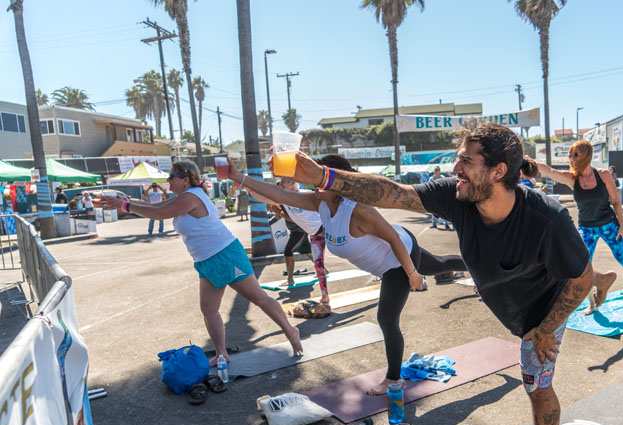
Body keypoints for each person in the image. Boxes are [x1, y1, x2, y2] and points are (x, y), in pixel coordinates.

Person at [283, 124, 614, 425]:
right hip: (513, 288)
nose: (455, 167)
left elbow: (577, 280)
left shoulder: (546, 219)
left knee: (536, 385)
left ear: (498, 171)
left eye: (465, 160)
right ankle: (603, 279)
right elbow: (393, 192)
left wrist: (545, 329)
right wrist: (322, 176)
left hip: (542, 308)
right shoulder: (458, 197)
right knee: (582, 274)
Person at [233, 154, 467, 396]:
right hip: (391, 257)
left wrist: (412, 273)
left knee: (387, 319)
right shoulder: (320, 203)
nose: (315, 184)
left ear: (338, 183)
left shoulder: (358, 210)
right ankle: (476, 265)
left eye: (320, 178)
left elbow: (393, 238)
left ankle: (393, 381)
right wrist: (237, 177)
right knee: (439, 263)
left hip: (397, 260)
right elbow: (279, 195)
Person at [93, 160, 303, 362]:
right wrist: (123, 203)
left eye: (171, 177)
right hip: (206, 261)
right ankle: (222, 353)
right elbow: (156, 207)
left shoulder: (191, 197)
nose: (168, 181)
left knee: (259, 298)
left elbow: (161, 213)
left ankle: (290, 331)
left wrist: (126, 206)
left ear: (186, 179)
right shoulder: (183, 196)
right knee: (209, 310)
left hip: (225, 255)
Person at [536, 140, 623, 308]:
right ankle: (591, 301)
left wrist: (622, 226)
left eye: (575, 154)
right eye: (570, 155)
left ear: (586, 156)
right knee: (582, 266)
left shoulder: (603, 175)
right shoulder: (572, 178)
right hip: (586, 229)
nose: (570, 158)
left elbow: (616, 201)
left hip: (609, 225)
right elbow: (549, 171)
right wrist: (530, 162)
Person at [267, 177, 330, 308]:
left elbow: (326, 201)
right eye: (286, 182)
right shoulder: (283, 200)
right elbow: (265, 196)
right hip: (314, 234)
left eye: (291, 181)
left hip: (327, 227)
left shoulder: (304, 194)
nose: (289, 184)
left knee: (348, 249)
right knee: (318, 265)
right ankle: (325, 295)